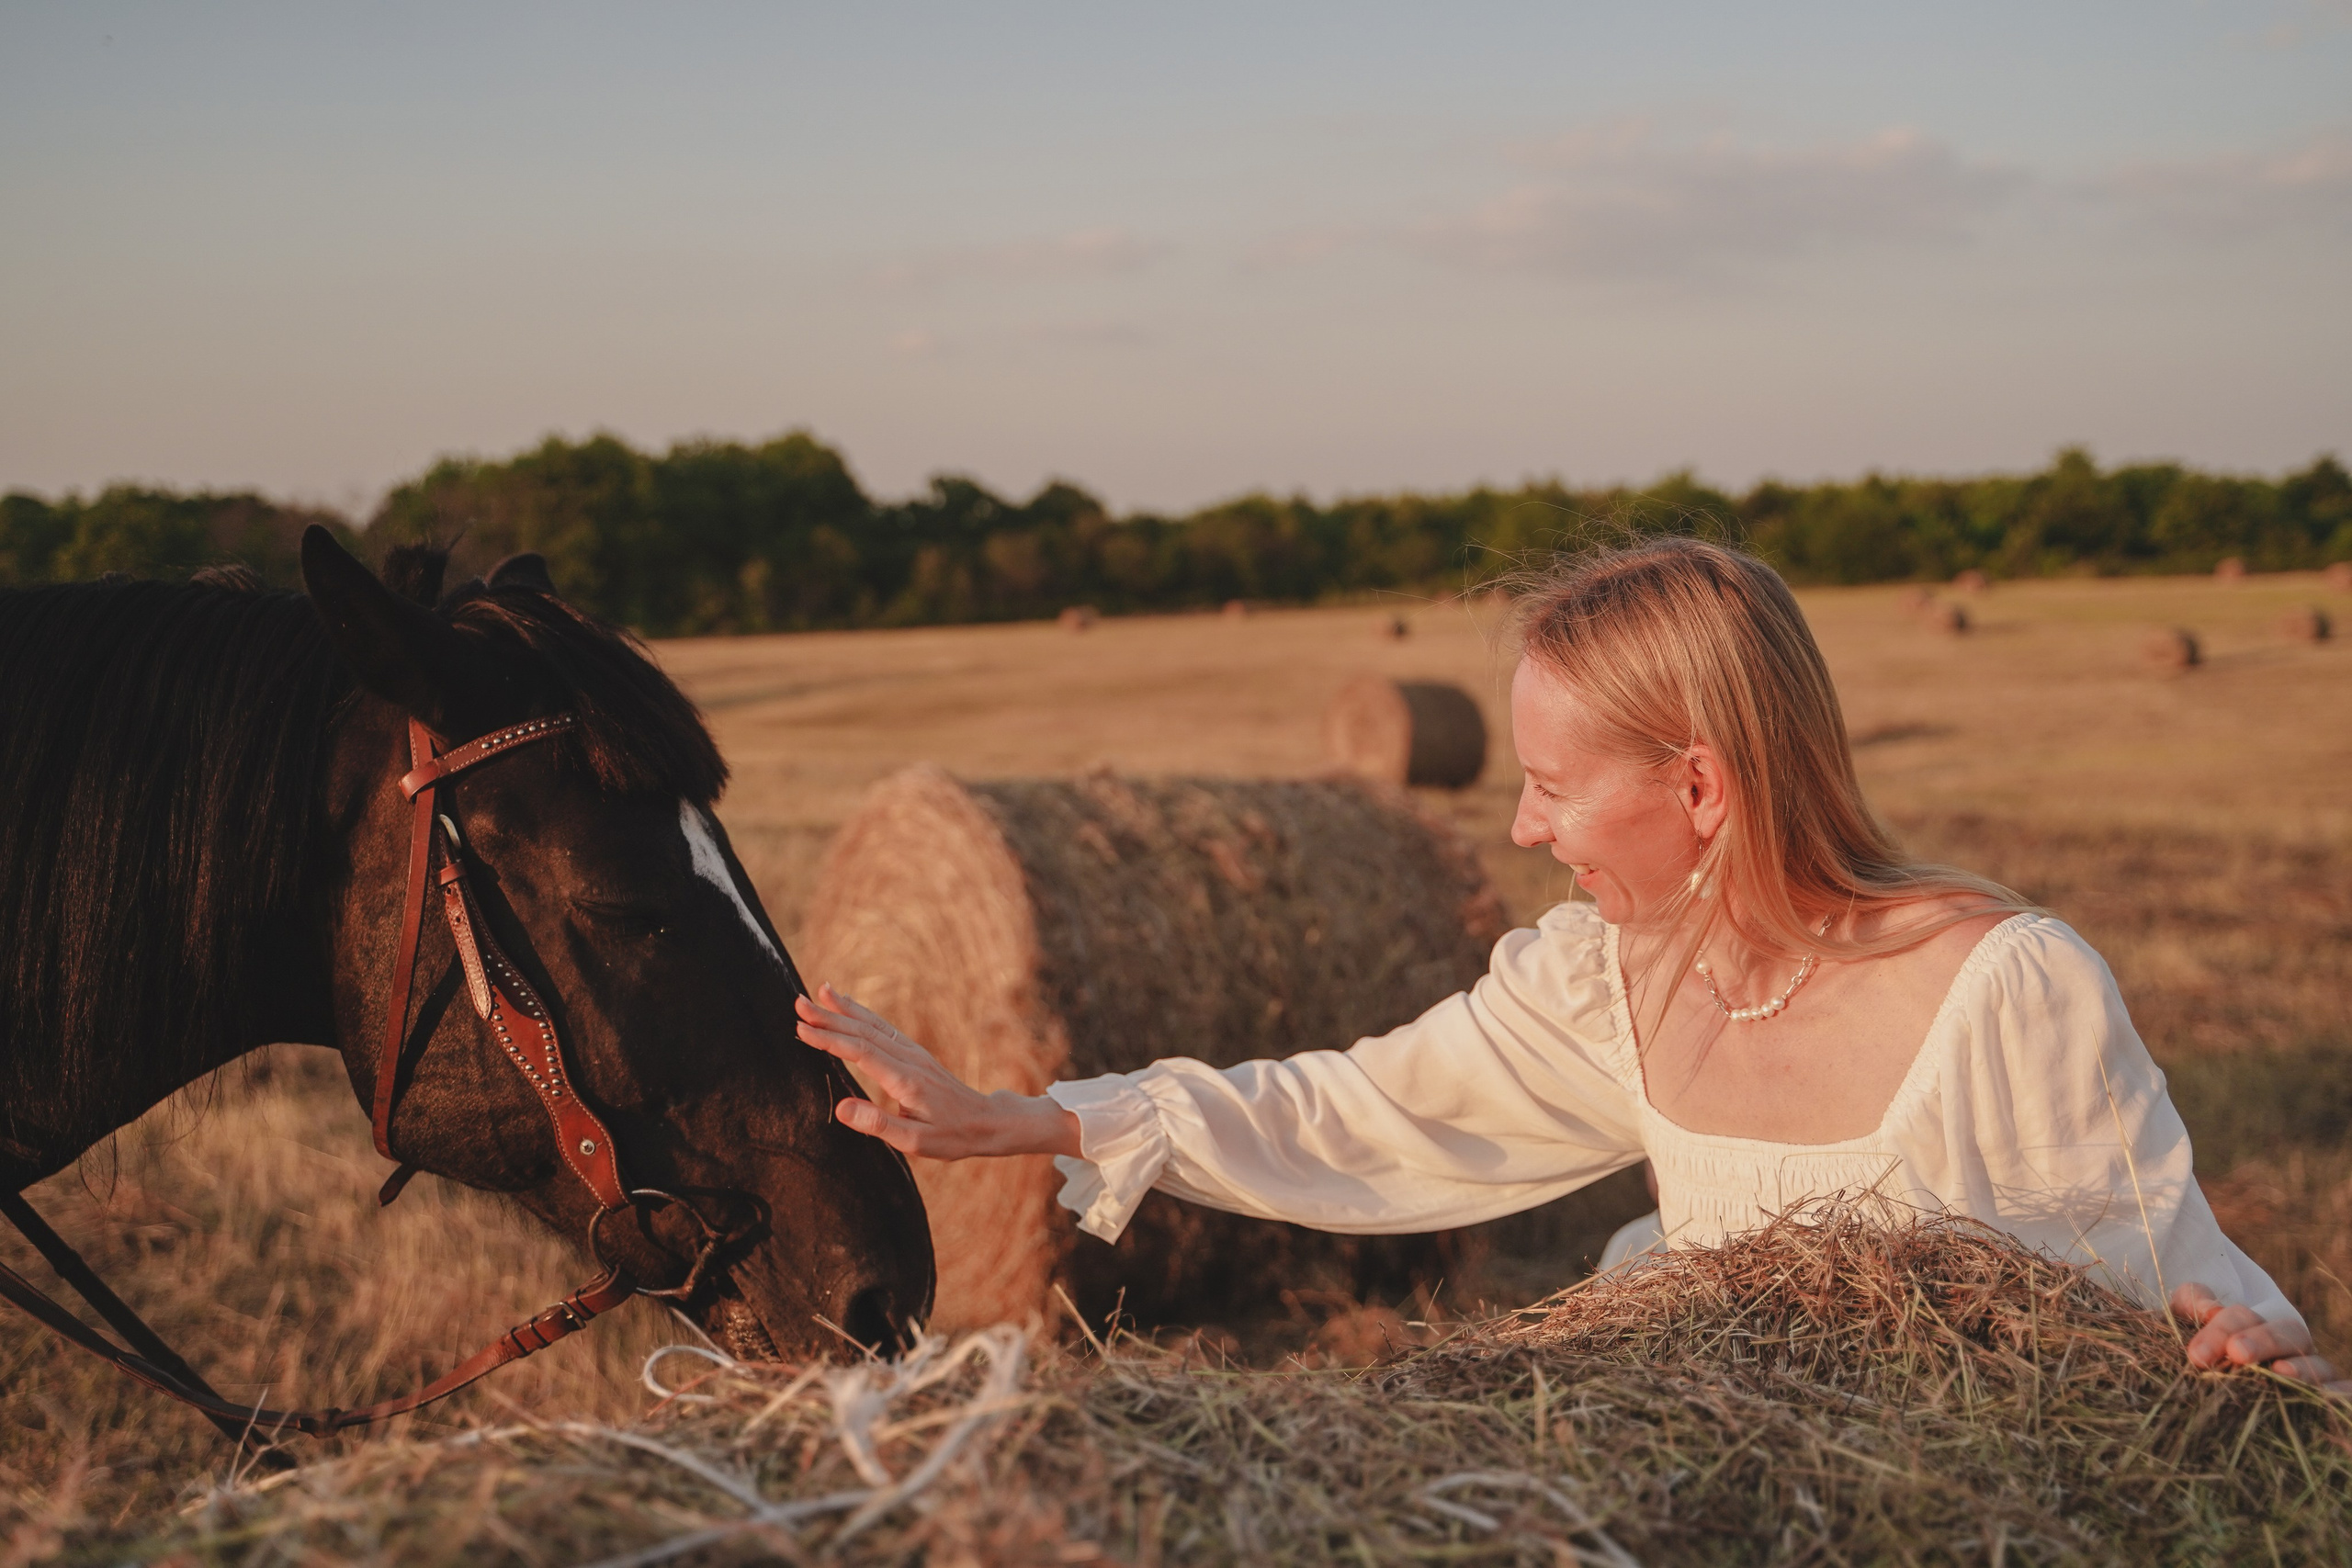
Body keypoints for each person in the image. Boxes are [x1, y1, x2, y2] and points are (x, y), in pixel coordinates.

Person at [796, 536, 2343, 1391]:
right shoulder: (1610, 980)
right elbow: (1358, 1111)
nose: (1525, 828)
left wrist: (2245, 1350)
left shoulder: (2009, 990)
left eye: (1551, 783)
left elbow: (2176, 1301)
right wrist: (1024, 1117)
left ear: (1704, 787)